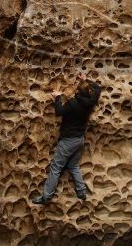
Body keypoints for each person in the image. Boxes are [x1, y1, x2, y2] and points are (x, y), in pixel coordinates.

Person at [32, 73, 102, 205]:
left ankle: (46, 197)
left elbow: (59, 111)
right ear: (88, 91)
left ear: (77, 91)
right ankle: (81, 192)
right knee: (73, 165)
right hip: (79, 139)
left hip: (68, 141)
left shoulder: (73, 104)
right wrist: (86, 80)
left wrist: (57, 97)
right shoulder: (91, 101)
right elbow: (98, 89)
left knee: (56, 167)